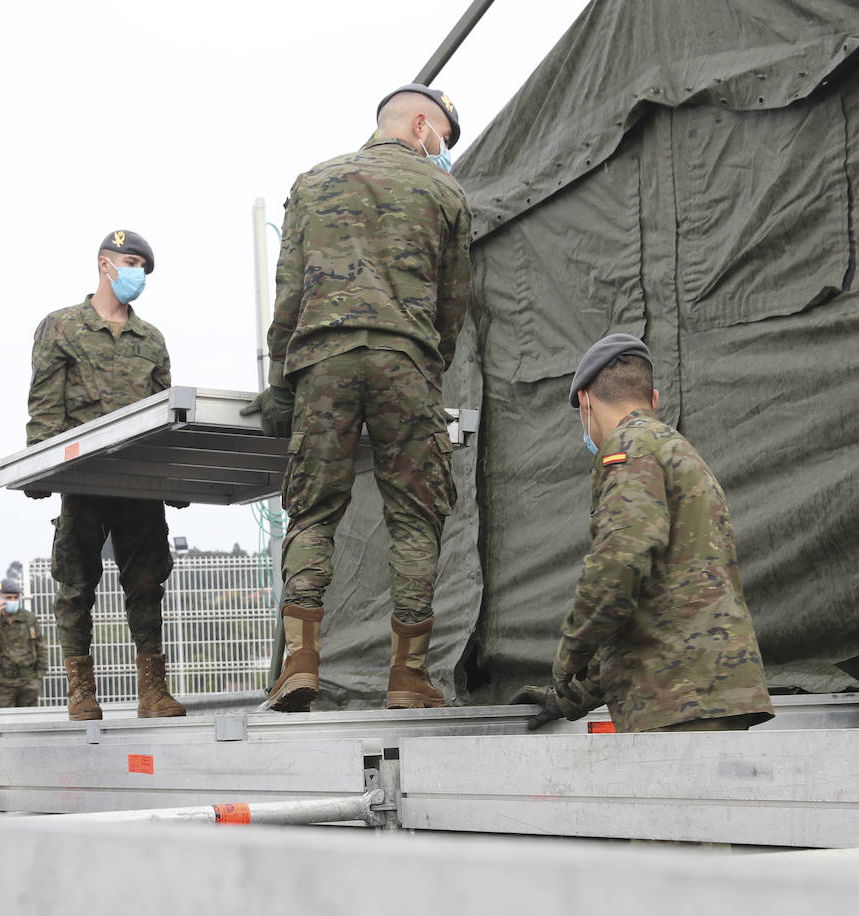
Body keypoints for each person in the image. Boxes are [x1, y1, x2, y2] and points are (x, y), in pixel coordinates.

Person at [244, 84, 472, 712]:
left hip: (322, 360)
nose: (442, 152)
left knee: (313, 511)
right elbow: (455, 302)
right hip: (406, 359)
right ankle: (408, 675)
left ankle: (300, 664)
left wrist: (280, 384)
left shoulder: (313, 183)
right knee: (416, 515)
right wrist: (431, 368)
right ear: (422, 123)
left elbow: (288, 290)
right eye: (443, 140)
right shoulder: (445, 192)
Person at [511, 334, 774, 733]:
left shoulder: (629, 448)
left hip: (677, 695)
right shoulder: (678, 452)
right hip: (709, 689)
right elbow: (653, 600)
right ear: (653, 398)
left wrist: (570, 653)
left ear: (585, 401)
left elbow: (619, 566)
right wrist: (572, 697)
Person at [24, 230, 186, 721]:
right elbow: (45, 402)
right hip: (85, 478)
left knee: (147, 581)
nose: (137, 273)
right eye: (130, 262)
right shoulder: (61, 327)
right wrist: (39, 462)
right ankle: (81, 692)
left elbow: (165, 411)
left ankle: (153, 691)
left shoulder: (151, 339)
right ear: (105, 264)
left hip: (139, 480)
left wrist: (173, 474)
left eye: (143, 266)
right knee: (76, 582)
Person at [0, 566, 47, 707]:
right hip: (2, 683)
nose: (13, 600)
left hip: (28, 682)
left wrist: (38, 677)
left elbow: (41, 647)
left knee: (29, 723)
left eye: (15, 597)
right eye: (8, 598)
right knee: (4, 723)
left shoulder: (28, 618)